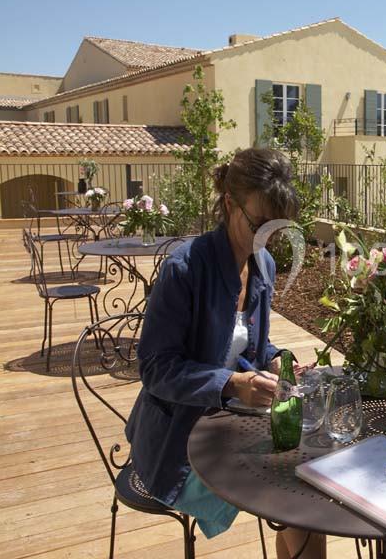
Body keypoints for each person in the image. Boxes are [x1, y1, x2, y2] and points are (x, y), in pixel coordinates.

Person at [125, 147, 325, 558]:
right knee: (301, 500)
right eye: (260, 224)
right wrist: (232, 384)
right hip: (178, 442)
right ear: (230, 204)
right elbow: (155, 368)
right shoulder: (185, 269)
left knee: (307, 491)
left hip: (233, 426)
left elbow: (249, 345)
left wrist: (274, 359)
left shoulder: (263, 264)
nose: (268, 237)